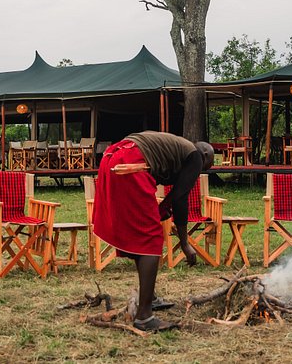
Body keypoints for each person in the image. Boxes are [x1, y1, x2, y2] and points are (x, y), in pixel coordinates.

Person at [92, 131, 215, 332]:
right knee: (150, 239)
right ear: (205, 156)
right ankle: (145, 317)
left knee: (140, 236)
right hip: (130, 164)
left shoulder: (175, 148)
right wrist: (185, 244)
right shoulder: (194, 156)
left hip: (112, 159)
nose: (199, 172)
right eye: (204, 168)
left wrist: (164, 207)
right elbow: (180, 199)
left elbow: (174, 194)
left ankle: (150, 297)